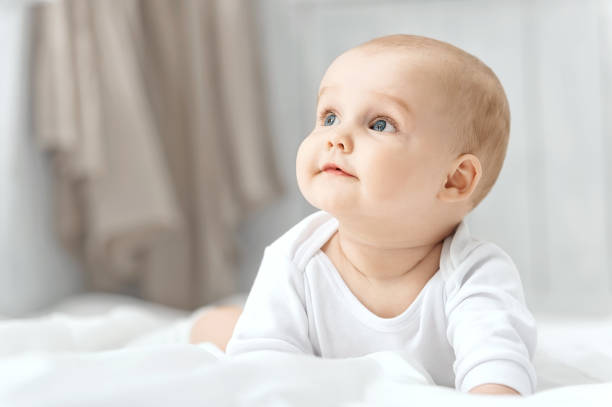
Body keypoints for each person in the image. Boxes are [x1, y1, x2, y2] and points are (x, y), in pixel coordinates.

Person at [190, 34, 537, 396]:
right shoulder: (293, 260)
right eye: (329, 116)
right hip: (307, 362)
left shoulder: (475, 275)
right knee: (222, 330)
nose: (336, 138)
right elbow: (264, 373)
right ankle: (199, 324)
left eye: (380, 124)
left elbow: (498, 370)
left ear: (453, 179)